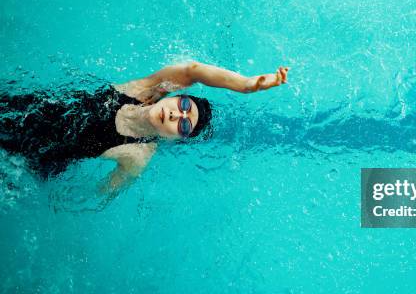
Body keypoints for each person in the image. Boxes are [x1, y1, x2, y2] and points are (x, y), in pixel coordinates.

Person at [0, 62, 290, 194]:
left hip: (33, 159)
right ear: (176, 94)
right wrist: (247, 85)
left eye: (184, 126)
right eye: (183, 106)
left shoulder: (138, 155)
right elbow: (193, 72)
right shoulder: (144, 90)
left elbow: (101, 193)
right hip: (28, 110)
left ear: (176, 140)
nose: (177, 115)